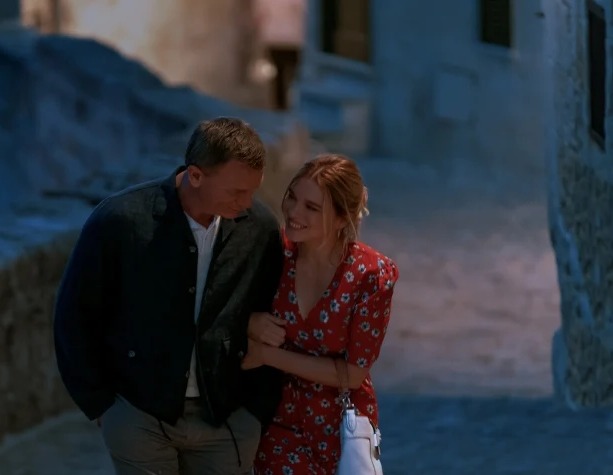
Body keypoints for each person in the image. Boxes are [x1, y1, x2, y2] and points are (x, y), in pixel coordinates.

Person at [52, 117, 285, 475]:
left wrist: (255, 413)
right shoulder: (120, 221)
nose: (246, 203)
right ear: (196, 176)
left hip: (227, 421)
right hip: (139, 416)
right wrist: (103, 407)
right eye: (236, 192)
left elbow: (275, 311)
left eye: (252, 191)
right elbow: (74, 315)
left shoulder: (261, 229)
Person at [244, 154, 399, 475]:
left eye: (311, 207)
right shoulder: (274, 252)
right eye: (292, 197)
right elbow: (228, 307)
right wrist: (250, 323)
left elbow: (353, 374)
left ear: (342, 218)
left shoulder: (370, 275)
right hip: (276, 417)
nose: (293, 212)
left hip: (342, 427)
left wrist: (266, 355)